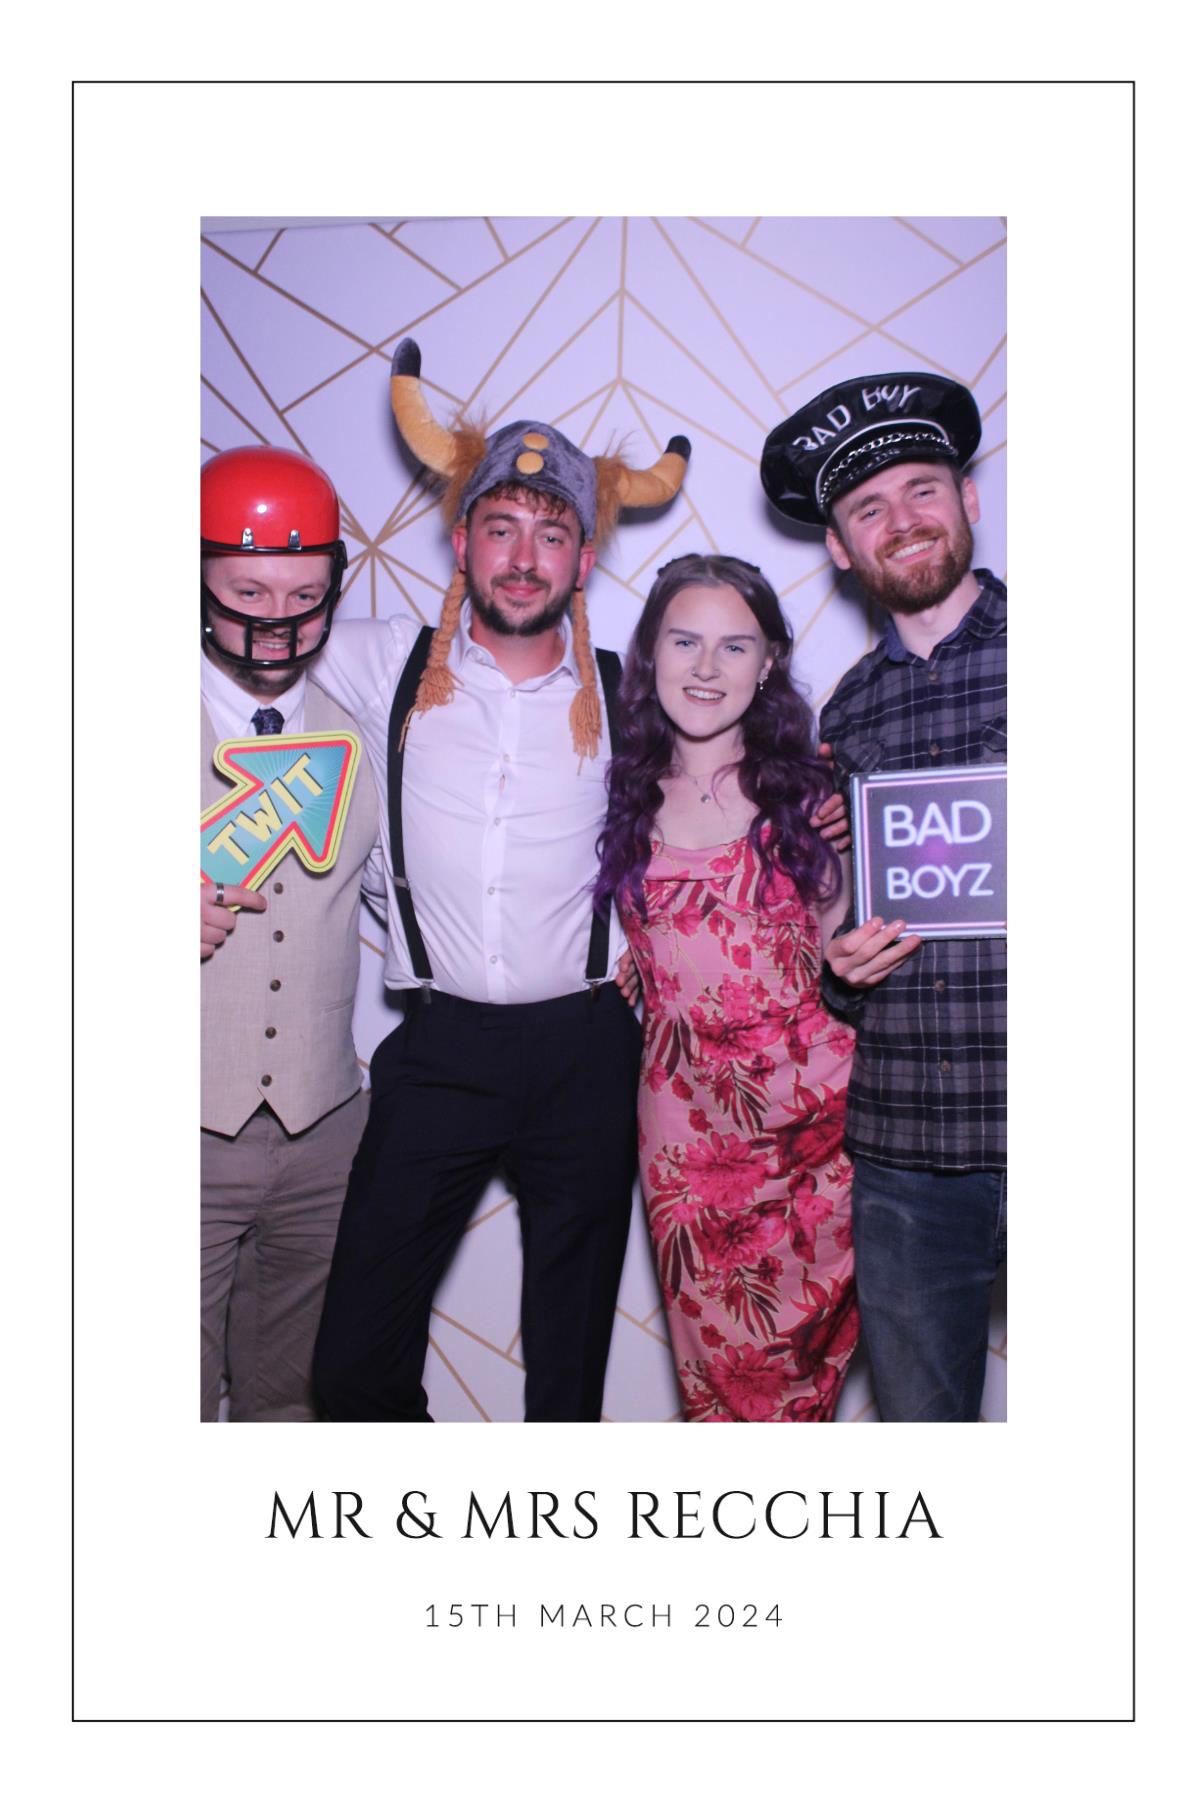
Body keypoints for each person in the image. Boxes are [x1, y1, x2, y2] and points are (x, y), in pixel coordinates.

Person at [309, 339, 693, 1422]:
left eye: (552, 533)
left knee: (568, 1381)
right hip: (439, 1049)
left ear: (582, 561)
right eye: (502, 527)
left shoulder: (630, 693)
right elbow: (235, 652)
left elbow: (735, 783)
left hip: (587, 1050)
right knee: (350, 1370)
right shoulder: (381, 660)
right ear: (462, 541)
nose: (525, 557)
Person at [762, 371, 1007, 1422]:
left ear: (969, 499)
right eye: (869, 508)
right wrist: (841, 965)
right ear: (839, 547)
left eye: (922, 489)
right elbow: (847, 915)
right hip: (909, 1143)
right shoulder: (846, 716)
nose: (901, 520)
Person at [594, 554, 859, 1422]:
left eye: (735, 646)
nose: (706, 668)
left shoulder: (816, 796)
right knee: (721, 1386)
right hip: (687, 1139)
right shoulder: (615, 787)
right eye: (685, 642)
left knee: (808, 1386)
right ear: (650, 653)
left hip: (821, 1137)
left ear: (769, 661)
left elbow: (848, 956)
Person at [200, 445, 380, 1422]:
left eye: (305, 596)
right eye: (248, 592)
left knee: (294, 1407)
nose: (278, 621)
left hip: (324, 1136)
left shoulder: (363, 729)